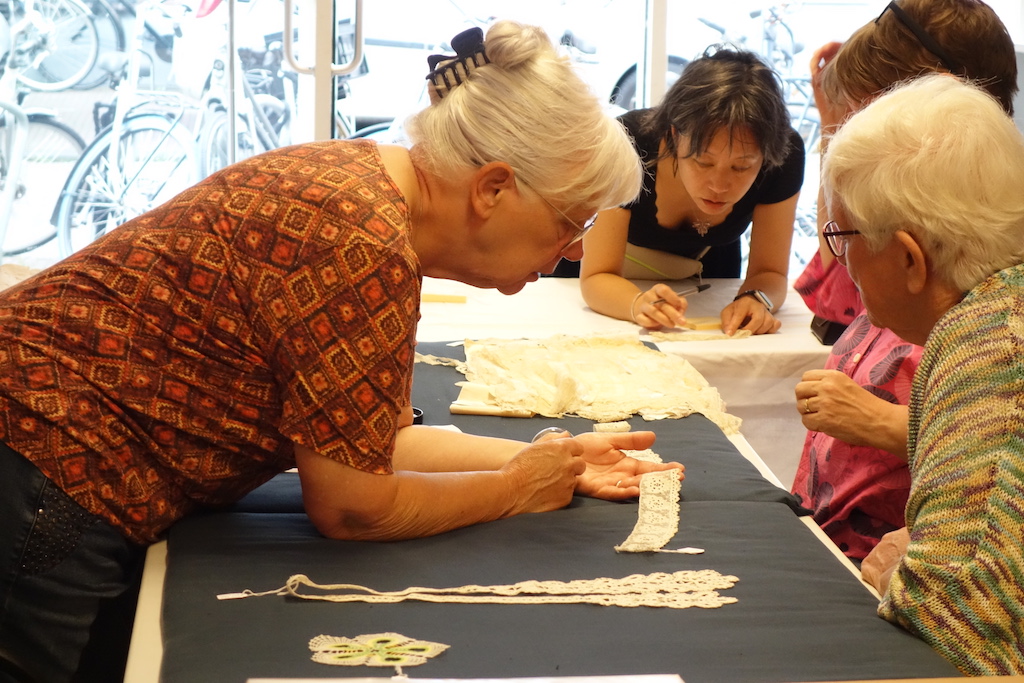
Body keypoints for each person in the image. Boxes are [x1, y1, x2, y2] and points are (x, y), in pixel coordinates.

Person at [0, 21, 685, 683]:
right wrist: (512, 491)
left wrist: (543, 459)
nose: (574, 250)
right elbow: (353, 506)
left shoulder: (371, 195)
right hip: (43, 459)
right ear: (494, 188)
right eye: (570, 222)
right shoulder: (365, 243)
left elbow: (368, 442)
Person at [790, 0, 1018, 560]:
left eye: (862, 122)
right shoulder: (971, 312)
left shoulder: (986, 344)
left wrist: (888, 425)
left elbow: (960, 593)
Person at [823, 74, 1024, 674]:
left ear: (910, 259)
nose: (843, 260)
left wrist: (903, 580)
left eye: (843, 235)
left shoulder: (989, 351)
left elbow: (963, 625)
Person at [567, 47, 804, 336]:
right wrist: (638, 304)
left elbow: (771, 272)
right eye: (703, 161)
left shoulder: (784, 155)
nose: (718, 185)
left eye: (742, 167)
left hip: (706, 274)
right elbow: (596, 276)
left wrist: (757, 300)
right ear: (673, 134)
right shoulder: (628, 143)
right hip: (603, 285)